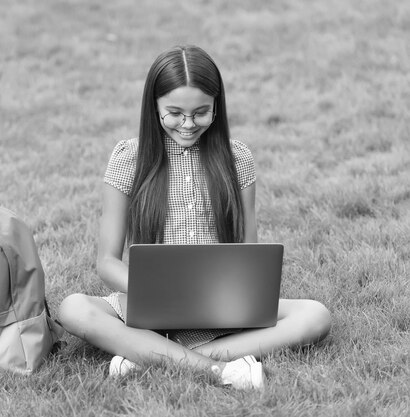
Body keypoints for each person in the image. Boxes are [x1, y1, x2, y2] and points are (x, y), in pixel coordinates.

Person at [58, 45, 331, 390]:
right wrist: (156, 292)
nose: (188, 124)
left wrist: (235, 293)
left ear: (217, 107)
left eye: (200, 112)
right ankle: (219, 368)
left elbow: (249, 249)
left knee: (315, 315)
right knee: (74, 309)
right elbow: (107, 261)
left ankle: (148, 355)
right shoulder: (128, 157)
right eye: (174, 112)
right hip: (148, 302)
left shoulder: (238, 158)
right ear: (153, 106)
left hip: (221, 305)